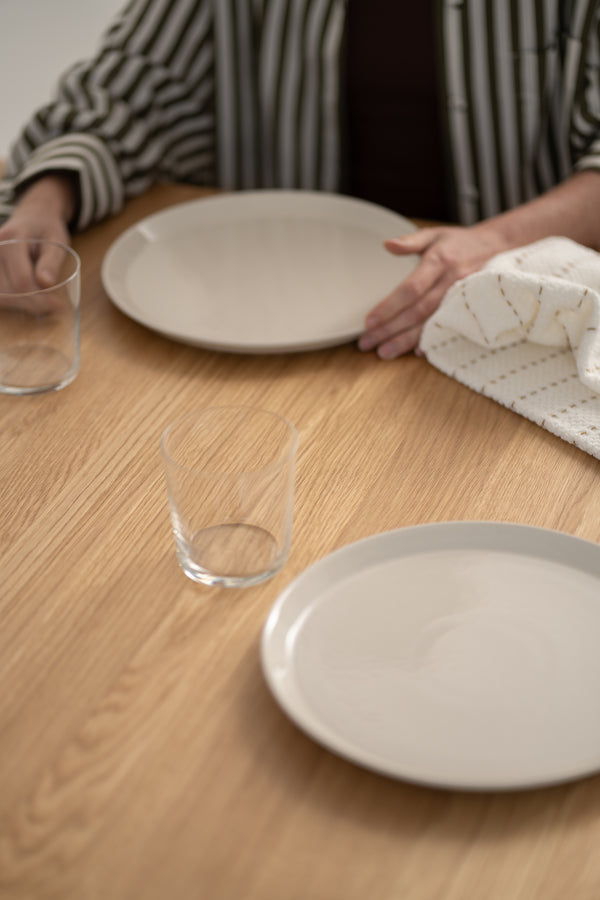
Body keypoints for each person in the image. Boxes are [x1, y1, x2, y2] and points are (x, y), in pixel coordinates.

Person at [1, 0, 600, 358]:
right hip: (260, 326)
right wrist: (44, 198)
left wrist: (499, 242)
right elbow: (130, 82)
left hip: (512, 328)